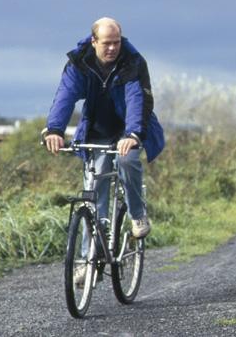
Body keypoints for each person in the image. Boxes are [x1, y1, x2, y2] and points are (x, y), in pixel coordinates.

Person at [42, 18, 166, 245]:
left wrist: (132, 134)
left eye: (116, 43)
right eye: (107, 43)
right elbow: (65, 96)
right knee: (94, 190)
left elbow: (137, 100)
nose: (112, 48)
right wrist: (55, 129)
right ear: (93, 41)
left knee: (127, 161)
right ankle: (88, 260)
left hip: (128, 129)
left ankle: (137, 215)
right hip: (97, 130)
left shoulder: (132, 62)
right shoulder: (79, 63)